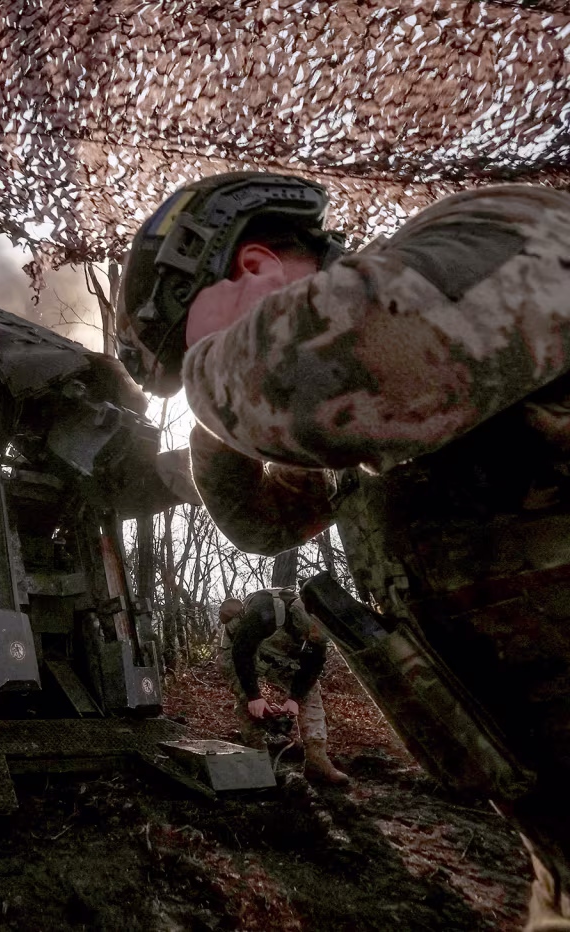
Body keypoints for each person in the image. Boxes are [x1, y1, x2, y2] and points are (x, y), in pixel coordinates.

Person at [116, 171, 570, 929]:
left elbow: (313, 372)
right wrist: (217, 431)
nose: (207, 374)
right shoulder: (353, 424)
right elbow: (262, 523)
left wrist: (211, 379)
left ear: (254, 267)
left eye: (202, 348)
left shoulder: (498, 224)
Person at [218, 589, 348, 785]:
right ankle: (258, 760)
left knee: (311, 692)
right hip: (240, 653)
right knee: (248, 701)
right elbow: (241, 651)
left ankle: (317, 761)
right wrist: (254, 696)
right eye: (305, 636)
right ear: (297, 622)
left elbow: (312, 667)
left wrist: (294, 698)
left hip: (280, 658)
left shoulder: (318, 624)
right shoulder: (264, 609)